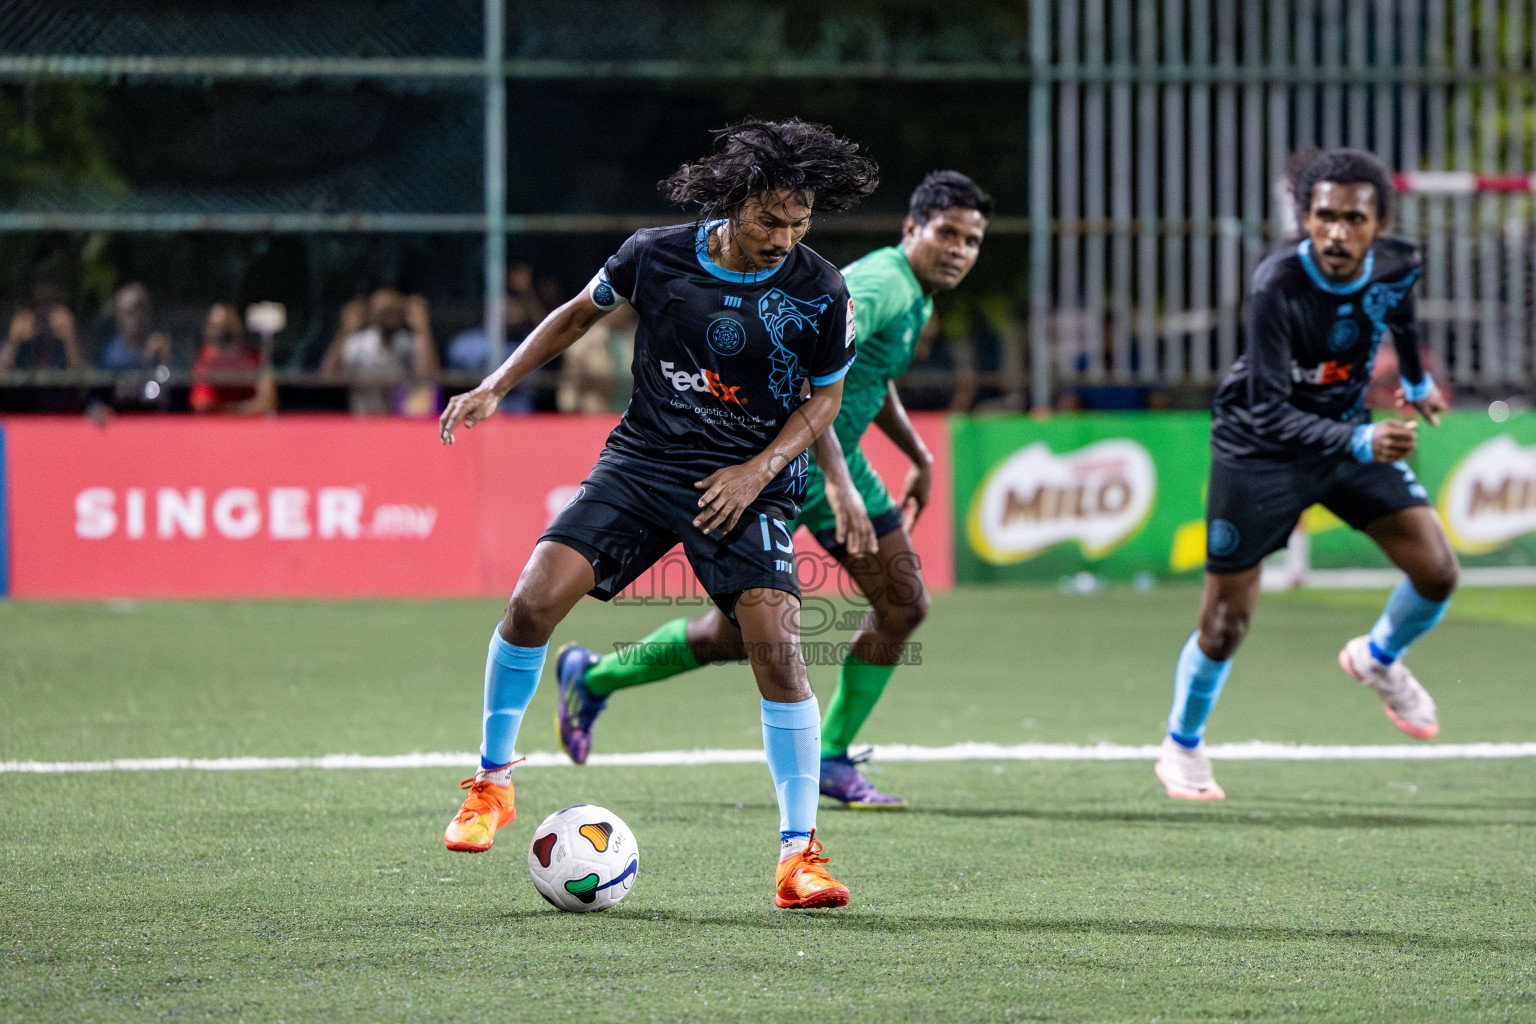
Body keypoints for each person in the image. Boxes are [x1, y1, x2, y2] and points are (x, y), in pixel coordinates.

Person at [436, 118, 879, 909]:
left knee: (776, 648)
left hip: (751, 479)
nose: (785, 236)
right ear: (734, 204)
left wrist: (758, 470)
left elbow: (828, 401)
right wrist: (498, 383)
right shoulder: (656, 254)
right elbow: (577, 313)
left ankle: (799, 857)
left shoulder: (820, 289)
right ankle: (491, 786)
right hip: (645, 460)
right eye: (771, 220)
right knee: (532, 603)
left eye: (800, 221)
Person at [555, 171, 992, 810]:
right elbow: (820, 381)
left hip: (821, 457)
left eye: (971, 240)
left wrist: (918, 452)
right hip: (804, 458)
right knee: (902, 603)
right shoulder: (883, 284)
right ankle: (832, 756)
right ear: (911, 230)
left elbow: (866, 369)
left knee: (743, 633)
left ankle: (593, 678)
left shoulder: (914, 293)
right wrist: (837, 482)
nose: (958, 249)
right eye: (945, 234)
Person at [1154, 149, 1458, 801]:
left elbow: (1399, 314)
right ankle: (1181, 745)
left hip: (1346, 437)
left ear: (1380, 225)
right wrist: (1362, 439)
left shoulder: (1401, 262)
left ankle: (1376, 658)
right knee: (1226, 622)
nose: (1338, 233)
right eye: (1324, 216)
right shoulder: (1277, 286)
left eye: (1354, 218)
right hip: (1258, 447)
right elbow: (1266, 410)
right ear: (1306, 218)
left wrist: (1416, 381)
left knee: (1437, 569)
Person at [320, 286, 438, 415]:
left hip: (402, 422)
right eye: (384, 312)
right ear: (371, 313)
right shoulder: (358, 343)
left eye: (394, 311)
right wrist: (346, 330)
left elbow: (429, 378)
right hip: (363, 420)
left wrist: (422, 329)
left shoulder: (408, 343)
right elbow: (328, 375)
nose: (388, 318)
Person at [189, 303, 277, 415]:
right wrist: (241, 409)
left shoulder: (256, 358)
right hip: (214, 428)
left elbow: (267, 402)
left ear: (239, 326)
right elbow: (202, 404)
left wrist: (238, 410)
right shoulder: (204, 360)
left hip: (253, 427)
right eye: (218, 327)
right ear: (209, 329)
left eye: (229, 325)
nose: (224, 332)